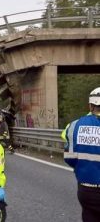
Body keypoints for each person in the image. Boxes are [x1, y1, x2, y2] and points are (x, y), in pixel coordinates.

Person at [62, 87, 100, 221]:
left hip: (86, 189)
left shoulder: (74, 125)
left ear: (90, 106)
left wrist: (84, 167)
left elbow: (69, 157)